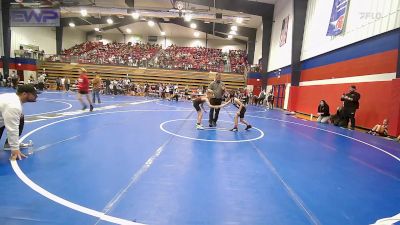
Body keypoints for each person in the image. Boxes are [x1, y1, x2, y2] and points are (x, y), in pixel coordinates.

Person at [0, 84, 38, 160]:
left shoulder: (13, 97)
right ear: (24, 94)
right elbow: (12, 129)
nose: (36, 96)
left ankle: (8, 144)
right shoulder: (14, 106)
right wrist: (15, 150)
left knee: (20, 117)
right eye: (34, 94)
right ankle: (10, 145)